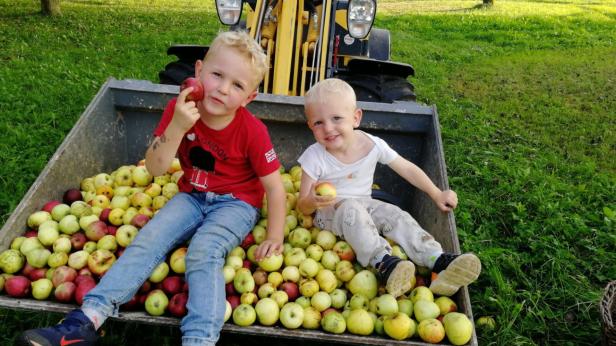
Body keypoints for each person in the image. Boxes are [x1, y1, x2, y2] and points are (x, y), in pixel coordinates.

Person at [19, 30, 286, 346]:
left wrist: (275, 235)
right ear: (198, 71)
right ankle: (85, 321)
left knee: (204, 251)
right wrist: (178, 127)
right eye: (217, 75)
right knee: (148, 239)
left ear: (249, 97)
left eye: (237, 85)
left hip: (236, 203)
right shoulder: (181, 108)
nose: (223, 89)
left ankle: (200, 340)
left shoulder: (252, 131)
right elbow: (157, 168)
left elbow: (275, 188)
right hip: (192, 195)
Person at [296, 78, 480, 298]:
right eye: (318, 123)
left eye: (337, 118)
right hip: (329, 216)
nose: (328, 128)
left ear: (356, 118)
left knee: (394, 213)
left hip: (365, 207)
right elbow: (302, 207)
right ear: (310, 126)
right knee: (351, 207)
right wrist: (313, 201)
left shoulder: (372, 145)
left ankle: (436, 259)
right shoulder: (313, 157)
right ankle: (384, 263)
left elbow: (407, 169)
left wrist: (436, 193)